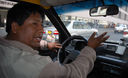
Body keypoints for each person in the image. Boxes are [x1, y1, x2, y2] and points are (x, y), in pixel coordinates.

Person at [0, 2, 109, 78]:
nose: (42, 29)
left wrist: (47, 45)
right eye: (35, 24)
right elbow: (75, 73)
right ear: (15, 27)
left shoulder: (4, 45)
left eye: (42, 25)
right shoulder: (38, 66)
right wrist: (89, 49)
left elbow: (21, 44)